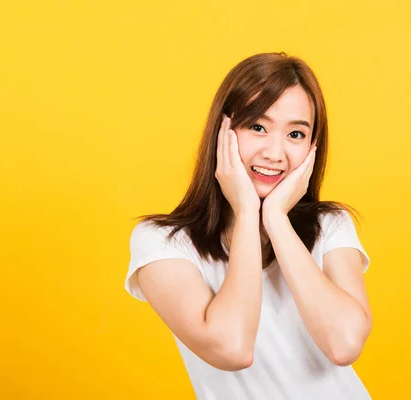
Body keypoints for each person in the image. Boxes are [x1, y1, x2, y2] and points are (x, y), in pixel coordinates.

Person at [125, 52, 373, 399]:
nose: (275, 152)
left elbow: (344, 345)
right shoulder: (163, 243)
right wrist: (245, 213)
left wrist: (275, 219)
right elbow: (233, 348)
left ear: (313, 147)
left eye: (296, 134)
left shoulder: (330, 226)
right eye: (258, 127)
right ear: (222, 131)